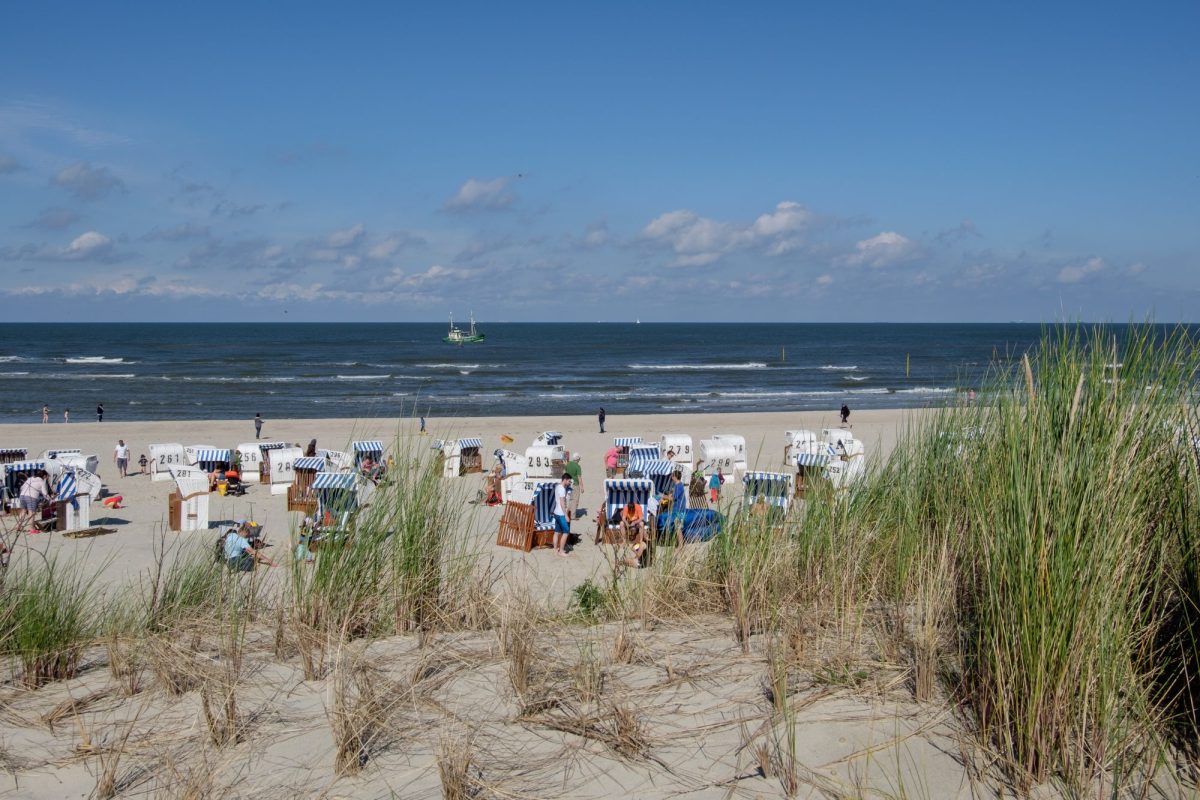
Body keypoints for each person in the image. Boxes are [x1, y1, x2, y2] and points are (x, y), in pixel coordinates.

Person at [619, 501, 646, 567]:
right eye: (630, 510)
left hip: (636, 522)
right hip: (628, 522)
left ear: (634, 507)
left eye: (632, 510)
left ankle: (640, 540)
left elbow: (641, 518)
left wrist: (635, 522)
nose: (631, 511)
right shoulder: (626, 507)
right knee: (621, 523)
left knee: (642, 524)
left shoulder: (638, 507)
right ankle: (624, 540)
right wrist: (626, 523)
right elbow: (623, 518)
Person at [553, 473, 573, 558]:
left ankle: (555, 549)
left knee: (556, 532)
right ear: (565, 479)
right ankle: (561, 551)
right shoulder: (562, 489)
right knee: (566, 532)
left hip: (556, 512)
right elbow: (562, 502)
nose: (569, 483)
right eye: (569, 481)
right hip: (561, 514)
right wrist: (566, 515)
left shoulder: (557, 487)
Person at [563, 453, 583, 519]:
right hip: (575, 484)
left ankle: (567, 512)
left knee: (569, 499)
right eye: (579, 459)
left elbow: (565, 471)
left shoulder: (568, 464)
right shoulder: (578, 467)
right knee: (575, 500)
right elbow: (579, 478)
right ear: (577, 459)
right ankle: (573, 516)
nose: (580, 460)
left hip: (568, 483)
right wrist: (582, 487)